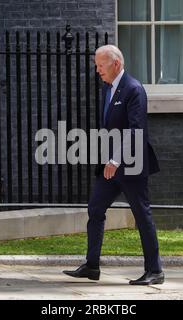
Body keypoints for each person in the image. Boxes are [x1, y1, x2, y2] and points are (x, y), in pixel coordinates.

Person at [63, 45, 164, 285]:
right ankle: (92, 266)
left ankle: (155, 271)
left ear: (116, 63)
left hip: (130, 164)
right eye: (96, 65)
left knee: (142, 215)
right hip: (110, 166)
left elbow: (135, 130)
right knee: (95, 209)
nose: (97, 70)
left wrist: (116, 159)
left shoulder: (134, 89)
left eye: (101, 65)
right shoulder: (108, 88)